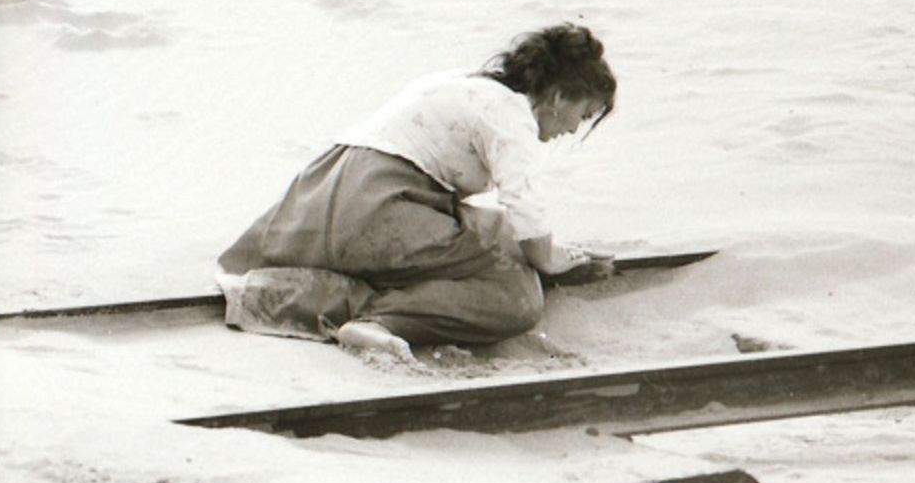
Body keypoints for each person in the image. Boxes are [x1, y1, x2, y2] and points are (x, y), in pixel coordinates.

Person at [216, 23, 616, 358]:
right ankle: (378, 321)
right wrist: (548, 259)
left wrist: (536, 247)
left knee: (504, 238)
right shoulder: (513, 115)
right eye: (581, 115)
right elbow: (524, 206)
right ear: (557, 96)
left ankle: (369, 298)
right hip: (381, 210)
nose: (572, 130)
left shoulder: (466, 83)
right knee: (519, 301)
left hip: (322, 197)